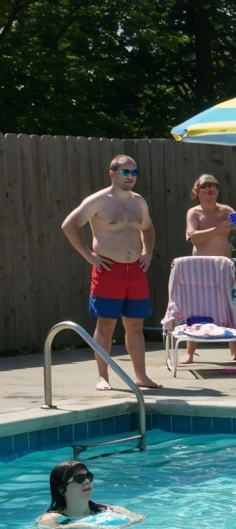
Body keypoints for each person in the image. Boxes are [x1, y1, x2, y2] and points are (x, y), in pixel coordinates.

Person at [60, 154, 161, 392]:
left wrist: (147, 252)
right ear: (113, 174)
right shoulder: (98, 201)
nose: (131, 177)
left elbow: (148, 228)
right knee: (105, 325)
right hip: (109, 271)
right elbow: (69, 225)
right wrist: (89, 256)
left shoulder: (139, 202)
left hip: (135, 270)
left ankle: (141, 376)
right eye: (126, 172)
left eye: (134, 173)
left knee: (135, 326)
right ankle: (103, 376)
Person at [36, 461, 144, 529]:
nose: (87, 481)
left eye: (88, 476)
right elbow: (51, 528)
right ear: (62, 490)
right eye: (79, 479)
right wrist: (86, 526)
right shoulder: (52, 517)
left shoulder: (107, 510)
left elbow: (140, 518)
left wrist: (121, 525)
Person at [185, 174, 236, 258]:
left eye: (215, 186)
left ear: (217, 191)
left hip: (223, 266)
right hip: (201, 266)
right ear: (196, 191)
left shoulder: (227, 212)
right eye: (205, 186)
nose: (210, 188)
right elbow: (193, 237)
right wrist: (218, 229)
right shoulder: (194, 213)